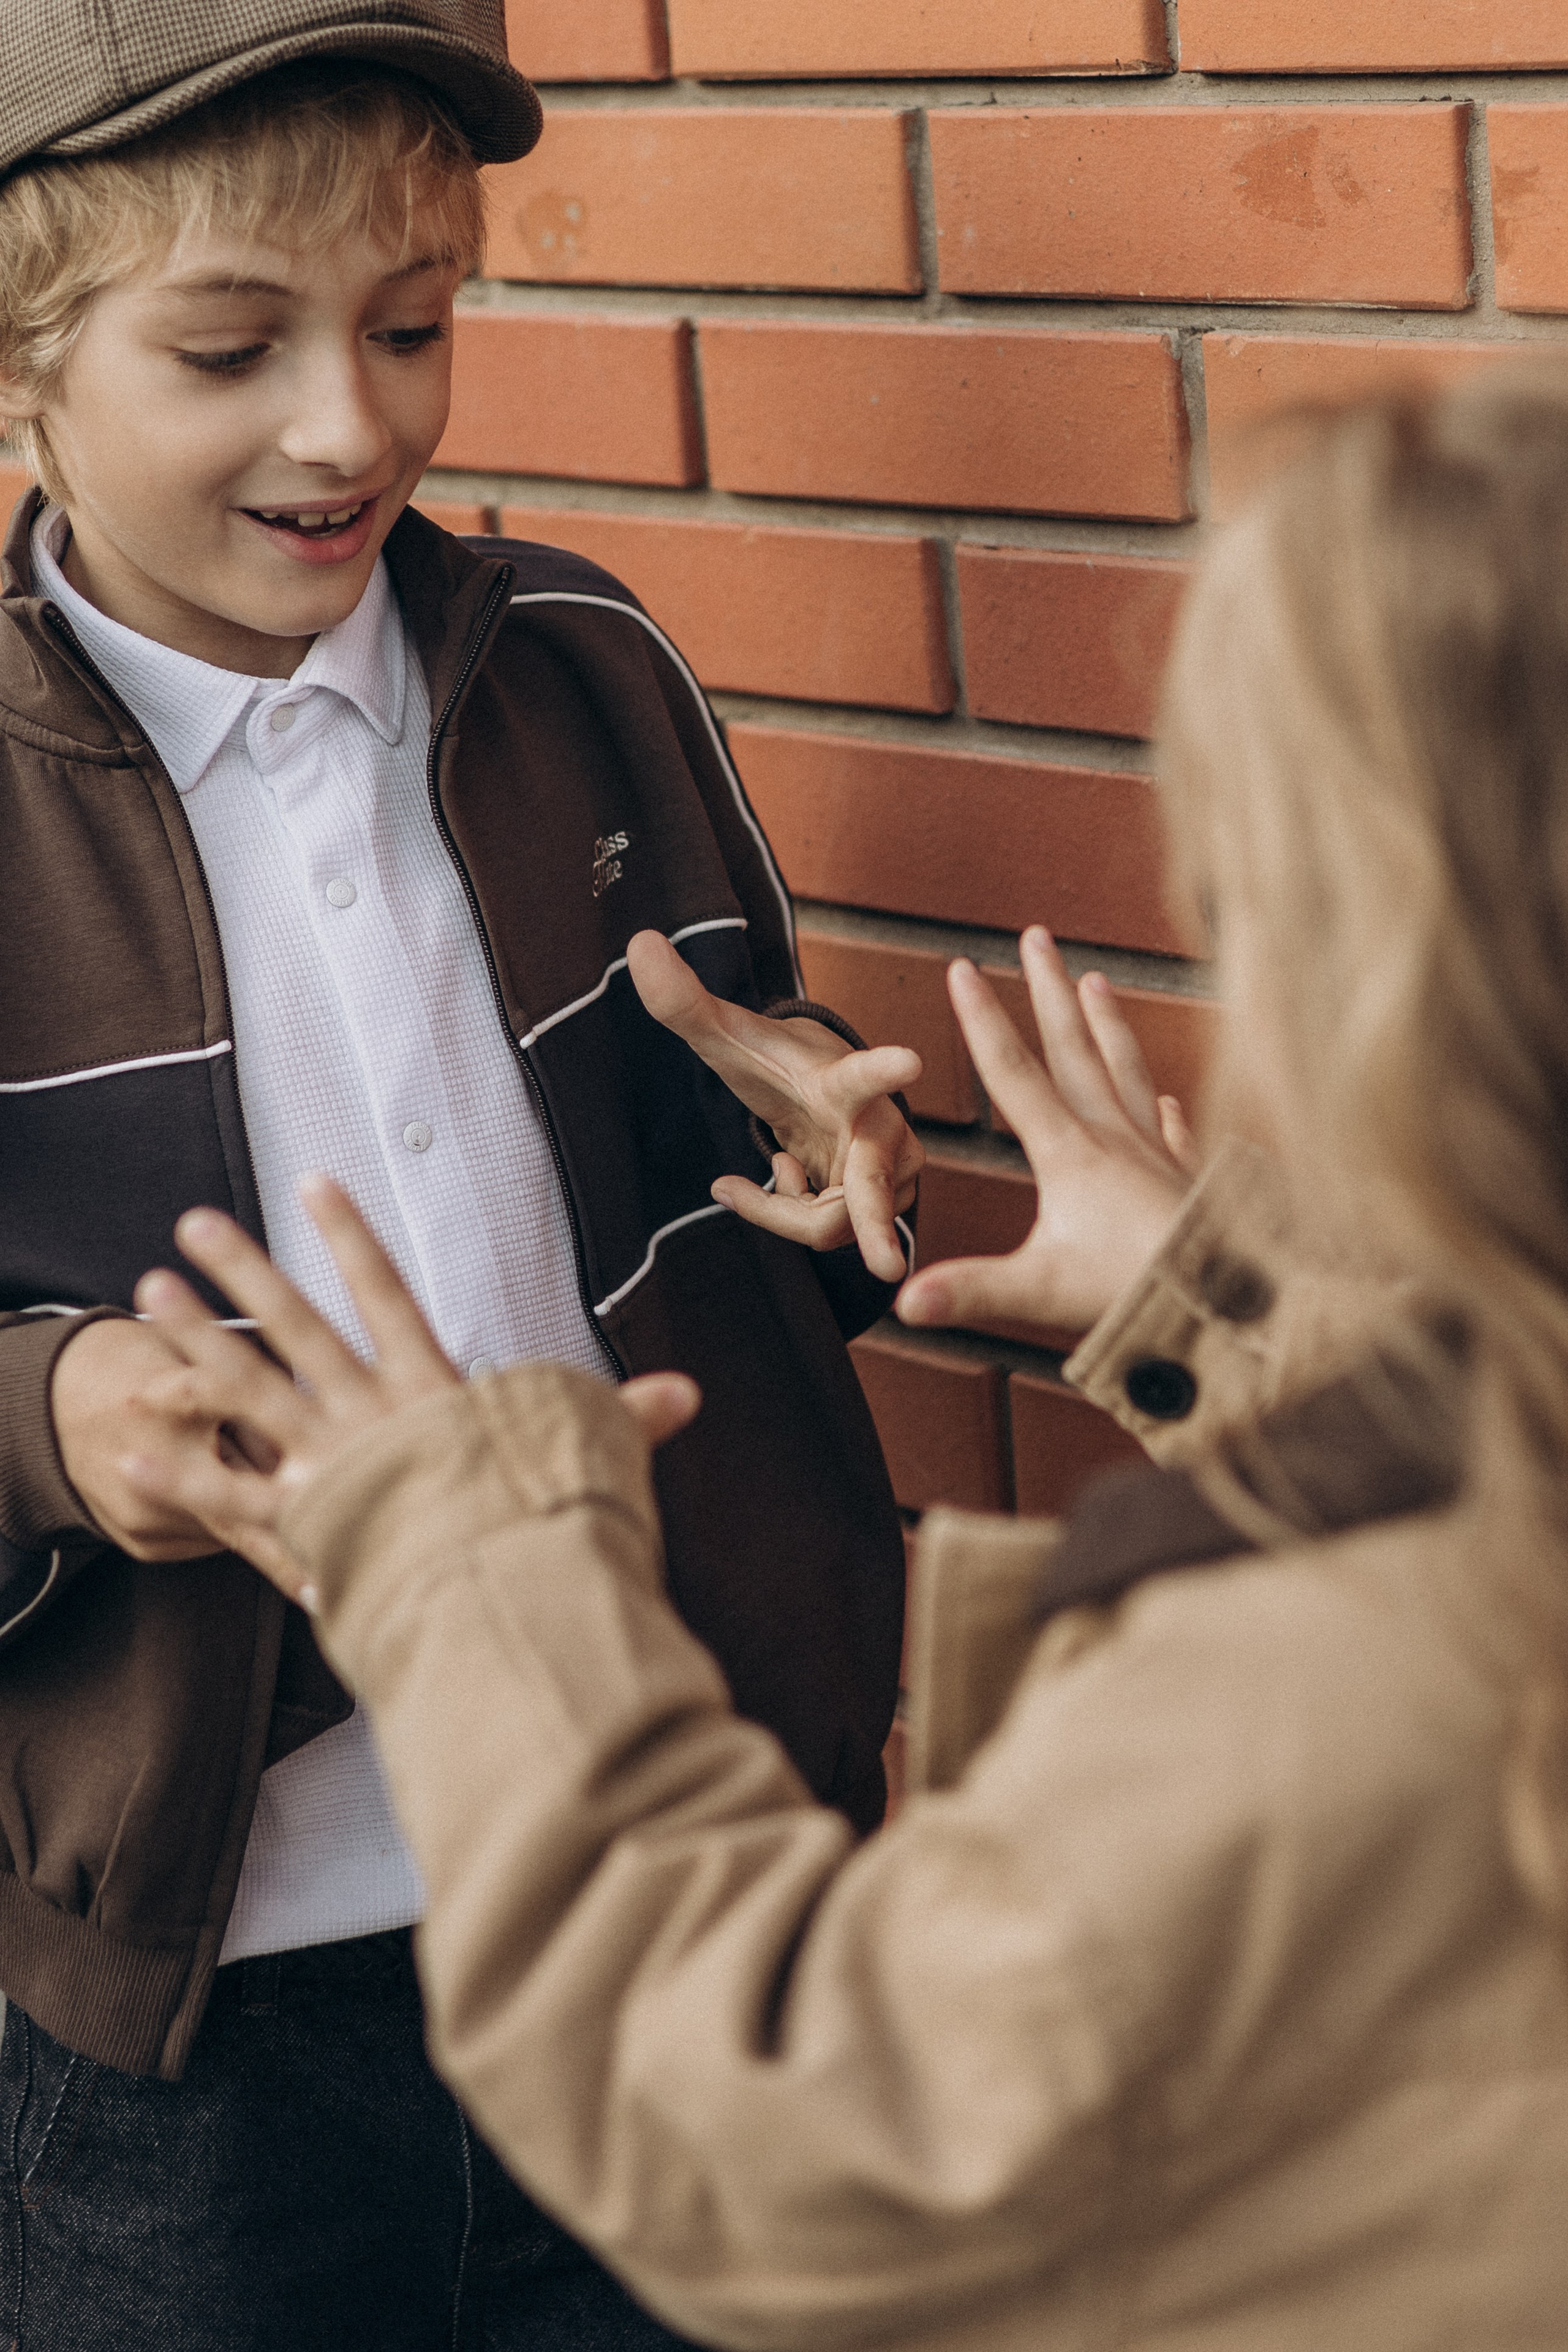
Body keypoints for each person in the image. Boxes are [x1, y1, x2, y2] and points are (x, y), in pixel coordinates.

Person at [131, 377, 1568, 2348]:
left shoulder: (1315, 1693)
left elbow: (779, 2128)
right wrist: (1251, 1329)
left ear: (1397, 979)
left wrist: (468, 1567)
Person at [0, 6, 920, 2345]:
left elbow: (721, 1081)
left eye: (412, 325)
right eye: (232, 347)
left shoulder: (581, 659)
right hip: (216, 2030)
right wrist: (55, 1416)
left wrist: (810, 1127)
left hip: (679, 1883)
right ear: (26, 362)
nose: (353, 422)